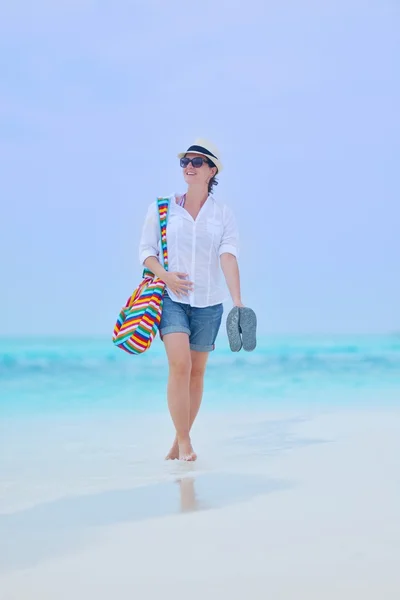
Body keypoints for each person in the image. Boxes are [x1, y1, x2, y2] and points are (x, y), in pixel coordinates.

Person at [138, 138, 244, 461]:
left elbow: (228, 257)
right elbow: (146, 252)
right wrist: (167, 277)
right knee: (180, 365)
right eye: (185, 161)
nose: (189, 166)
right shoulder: (163, 207)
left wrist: (239, 303)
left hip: (209, 304)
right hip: (171, 297)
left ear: (212, 170)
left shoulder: (222, 215)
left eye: (197, 162)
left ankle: (178, 441)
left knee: (197, 373)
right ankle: (186, 444)